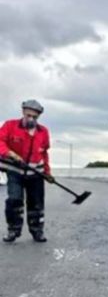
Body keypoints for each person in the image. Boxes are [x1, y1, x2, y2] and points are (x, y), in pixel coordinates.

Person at [0, 100, 53, 243]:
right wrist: (10, 153)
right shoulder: (10, 125)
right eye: (29, 115)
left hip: (36, 174)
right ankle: (13, 230)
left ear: (39, 117)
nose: (31, 119)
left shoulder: (43, 132)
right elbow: (0, 142)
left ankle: (37, 231)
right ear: (23, 112)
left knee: (36, 203)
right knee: (14, 200)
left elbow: (44, 153)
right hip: (15, 172)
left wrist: (47, 172)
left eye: (35, 117)